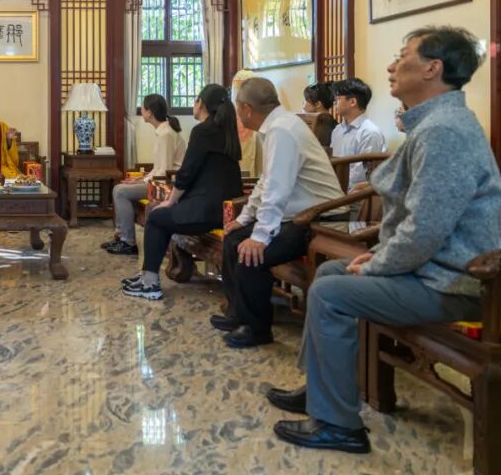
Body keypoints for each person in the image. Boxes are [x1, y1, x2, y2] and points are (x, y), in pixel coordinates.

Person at [268, 26, 501, 454]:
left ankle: (339, 425)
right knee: (332, 272)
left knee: (331, 292)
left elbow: (424, 229)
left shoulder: (444, 131)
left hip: (455, 284)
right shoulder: (434, 124)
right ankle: (320, 389)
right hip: (430, 270)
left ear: (432, 68)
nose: (392, 66)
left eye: (403, 56)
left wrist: (376, 263)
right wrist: (375, 257)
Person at [217, 78, 344, 348]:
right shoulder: (275, 126)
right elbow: (266, 182)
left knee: (251, 254)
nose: (238, 114)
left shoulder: (283, 130)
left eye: (238, 108)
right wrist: (243, 219)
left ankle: (257, 329)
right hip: (296, 215)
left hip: (320, 220)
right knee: (233, 238)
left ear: (247, 108)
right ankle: (238, 313)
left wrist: (260, 236)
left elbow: (277, 190)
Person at [122, 85, 243, 299]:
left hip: (206, 210)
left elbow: (187, 173)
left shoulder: (202, 131)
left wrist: (171, 201)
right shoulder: (226, 131)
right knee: (161, 213)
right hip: (225, 209)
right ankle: (147, 276)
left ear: (201, 104)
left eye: (195, 100)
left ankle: (150, 283)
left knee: (156, 216)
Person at [105, 94, 186, 255]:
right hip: (161, 180)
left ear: (150, 112)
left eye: (142, 108)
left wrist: (141, 181)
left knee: (120, 191)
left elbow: (163, 172)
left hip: (167, 185)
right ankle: (121, 236)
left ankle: (127, 241)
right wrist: (139, 179)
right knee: (121, 187)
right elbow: (159, 168)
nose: (141, 111)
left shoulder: (166, 134)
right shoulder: (163, 132)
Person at [330, 78, 386, 191]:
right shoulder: (337, 130)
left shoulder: (369, 132)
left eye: (338, 98)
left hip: (357, 195)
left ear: (352, 102)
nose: (334, 102)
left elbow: (361, 176)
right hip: (335, 190)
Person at [302, 82, 338, 148]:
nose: (303, 104)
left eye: (305, 100)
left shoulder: (323, 125)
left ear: (318, 104)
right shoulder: (330, 122)